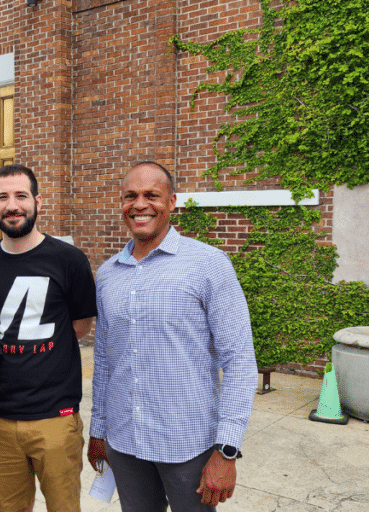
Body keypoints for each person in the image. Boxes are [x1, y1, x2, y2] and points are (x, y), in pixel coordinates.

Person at [87, 161, 259, 511]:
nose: (140, 204)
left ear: (172, 202)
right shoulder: (107, 274)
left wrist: (226, 450)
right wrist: (99, 429)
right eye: (130, 196)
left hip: (188, 447)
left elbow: (240, 361)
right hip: (125, 442)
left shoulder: (208, 265)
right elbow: (105, 358)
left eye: (152, 195)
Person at [0, 164, 98, 512]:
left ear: (37, 201)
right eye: (3, 197)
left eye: (21, 196)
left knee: (64, 507)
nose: (12, 205)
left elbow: (81, 323)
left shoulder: (68, 260)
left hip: (55, 417)